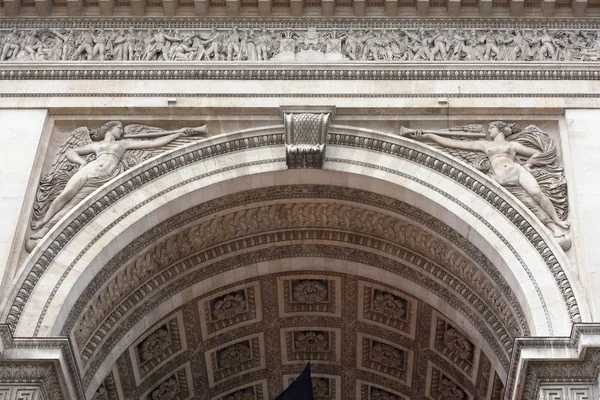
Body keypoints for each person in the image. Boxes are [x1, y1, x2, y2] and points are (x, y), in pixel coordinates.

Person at [32, 121, 206, 231]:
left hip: (103, 177)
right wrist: (81, 163)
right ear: (110, 128)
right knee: (65, 195)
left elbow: (153, 142)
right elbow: (71, 151)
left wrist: (178, 133)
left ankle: (47, 229)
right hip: (88, 170)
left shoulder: (124, 143)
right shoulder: (97, 145)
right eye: (118, 128)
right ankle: (43, 221)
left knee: (75, 206)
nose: (121, 132)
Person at [411, 121, 570, 234]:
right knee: (529, 204)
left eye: (491, 128)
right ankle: (552, 228)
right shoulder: (484, 145)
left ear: (499, 129)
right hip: (501, 178)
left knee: (537, 194)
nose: (488, 132)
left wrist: (528, 165)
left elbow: (535, 152)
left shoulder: (511, 145)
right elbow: (452, 144)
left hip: (519, 171)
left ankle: (557, 221)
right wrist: (431, 135)